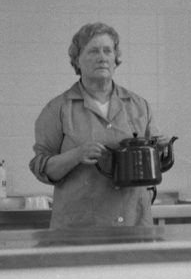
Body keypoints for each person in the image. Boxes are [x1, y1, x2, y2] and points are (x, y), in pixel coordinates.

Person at [30, 22, 165, 229]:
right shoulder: (58, 109)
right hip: (79, 231)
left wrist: (161, 151)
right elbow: (42, 168)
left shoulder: (139, 106)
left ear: (115, 58)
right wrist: (76, 155)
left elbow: (156, 163)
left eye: (107, 51)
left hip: (134, 225)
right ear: (77, 60)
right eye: (93, 51)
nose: (102, 57)